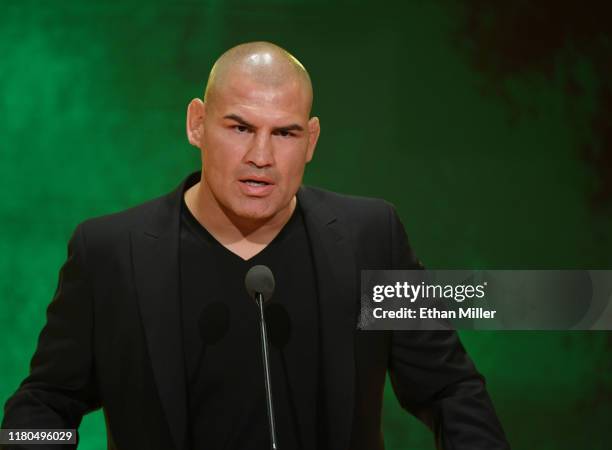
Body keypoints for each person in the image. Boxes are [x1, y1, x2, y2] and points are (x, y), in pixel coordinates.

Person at [2, 41, 510, 450]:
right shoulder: (108, 251)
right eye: (240, 127)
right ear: (197, 123)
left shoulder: (373, 235)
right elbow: (46, 402)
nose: (261, 156)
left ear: (311, 140)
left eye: (285, 133)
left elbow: (450, 389)